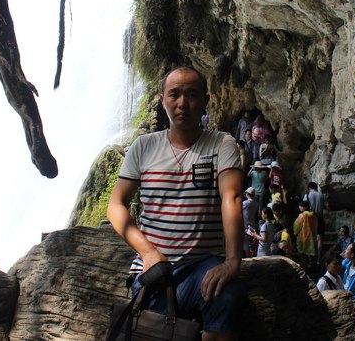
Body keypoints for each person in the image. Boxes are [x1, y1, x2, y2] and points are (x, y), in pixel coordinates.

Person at [107, 67, 246, 340]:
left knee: (228, 297)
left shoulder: (222, 144)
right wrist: (147, 252)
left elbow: (231, 198)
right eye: (174, 95)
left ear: (205, 101)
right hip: (155, 267)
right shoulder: (143, 147)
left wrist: (232, 261)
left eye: (192, 95)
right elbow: (116, 206)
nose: (183, 103)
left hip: (203, 265)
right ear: (163, 101)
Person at [303, 182, 325, 263]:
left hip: (311, 218)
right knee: (319, 239)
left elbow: (304, 207)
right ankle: (319, 259)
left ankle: (310, 258)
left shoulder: (307, 195)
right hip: (320, 217)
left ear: (309, 188)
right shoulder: (321, 195)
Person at [294, 200, 317, 270]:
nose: (300, 207)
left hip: (303, 237)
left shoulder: (302, 216)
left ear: (306, 207)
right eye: (300, 206)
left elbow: (297, 226)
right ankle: (312, 268)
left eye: (301, 206)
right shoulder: (313, 216)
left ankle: (304, 269)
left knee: (303, 255)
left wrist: (295, 233)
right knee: (310, 255)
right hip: (312, 238)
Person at [242, 187, 259, 257]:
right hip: (252, 226)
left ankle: (248, 258)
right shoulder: (256, 203)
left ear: (247, 194)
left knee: (246, 245)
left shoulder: (245, 203)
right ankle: (251, 257)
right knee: (251, 245)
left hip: (246, 226)